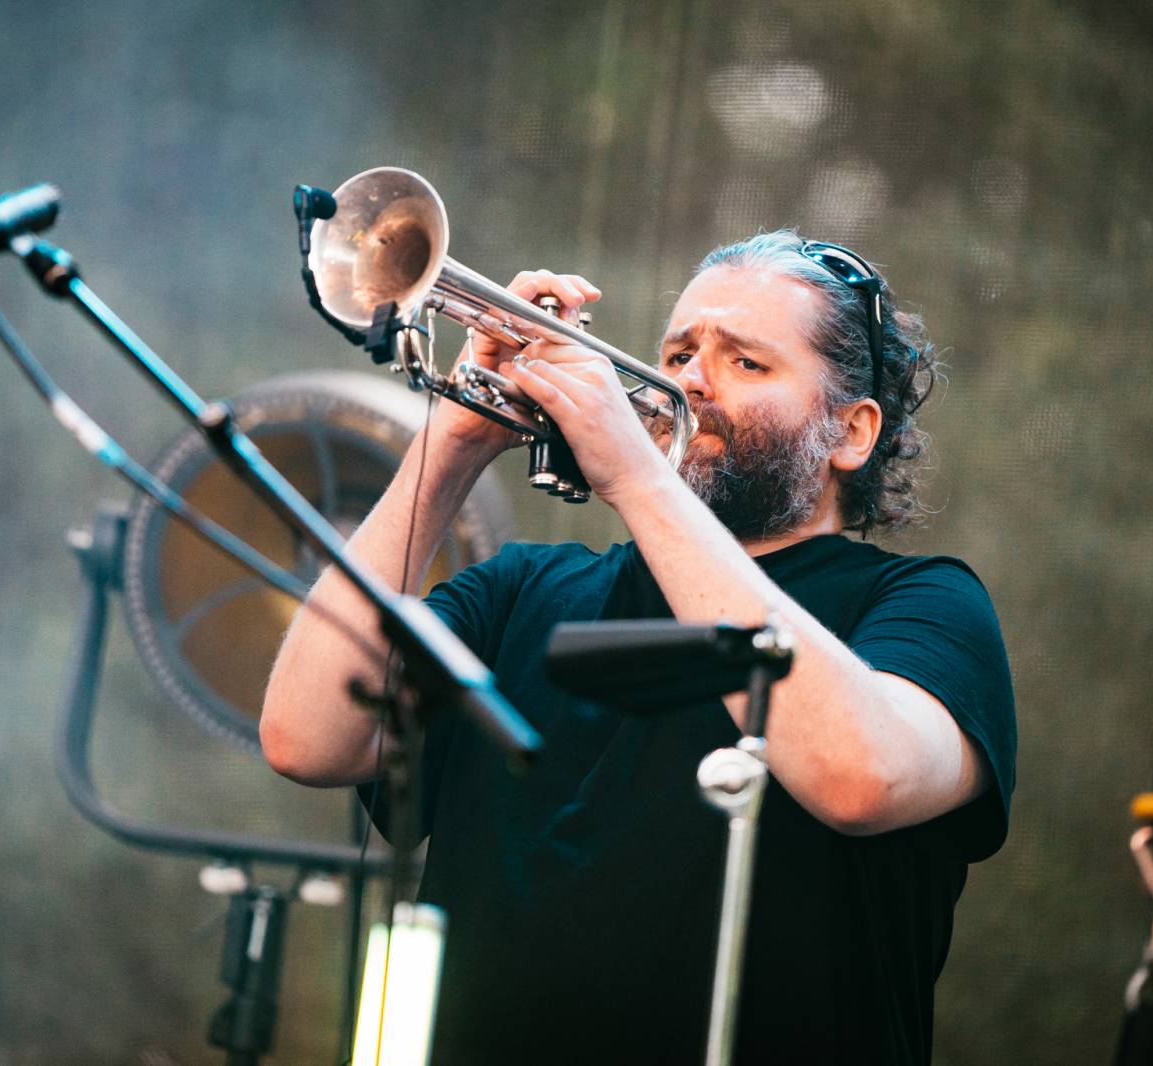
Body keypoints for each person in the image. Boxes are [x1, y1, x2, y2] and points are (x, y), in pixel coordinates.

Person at [261, 230, 1017, 1065]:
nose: (691, 381)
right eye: (680, 353)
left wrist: (635, 477)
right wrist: (453, 440)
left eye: (745, 362)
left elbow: (860, 778)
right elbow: (305, 737)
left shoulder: (922, 605)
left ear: (852, 432)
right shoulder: (519, 591)